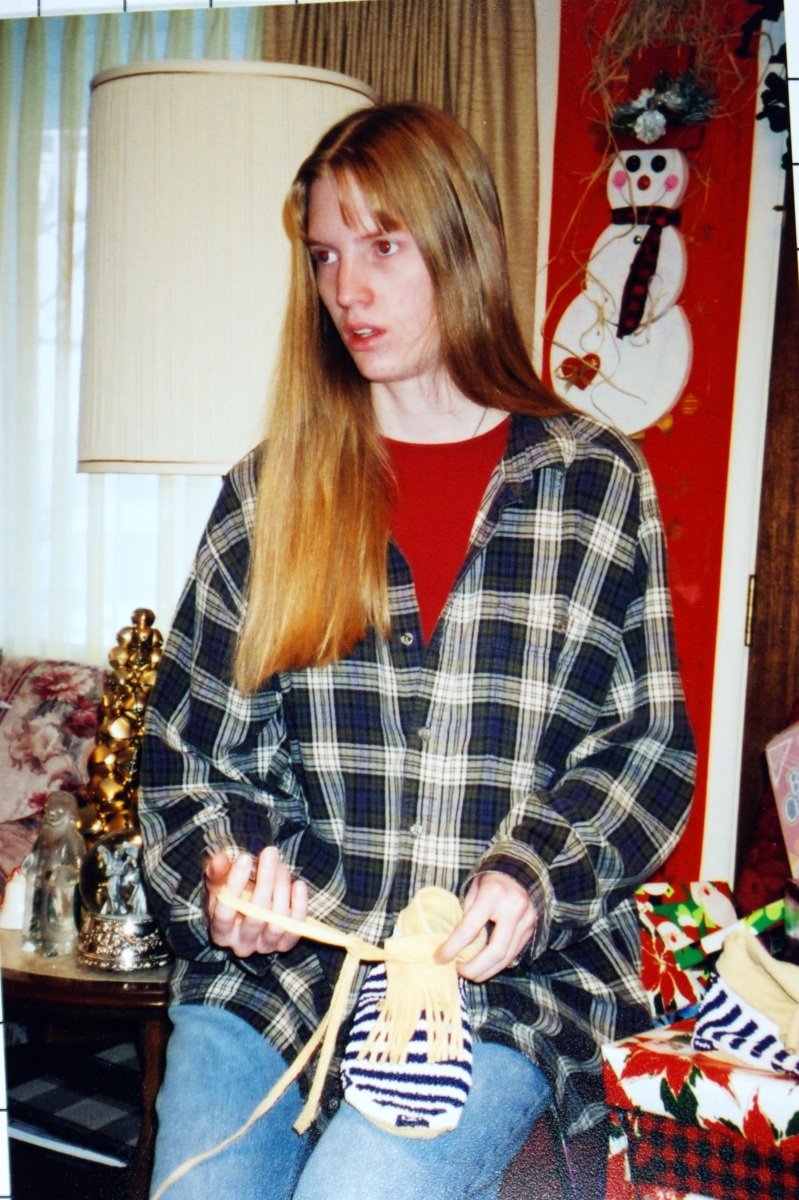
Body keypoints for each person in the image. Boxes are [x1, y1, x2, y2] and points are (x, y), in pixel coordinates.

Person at [138, 101, 695, 1200]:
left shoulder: (594, 486)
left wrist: (534, 876)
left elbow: (645, 752)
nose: (347, 288)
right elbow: (192, 755)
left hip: (501, 989)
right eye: (325, 255)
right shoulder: (266, 498)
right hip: (285, 978)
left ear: (460, 243)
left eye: (383, 246)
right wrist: (229, 870)